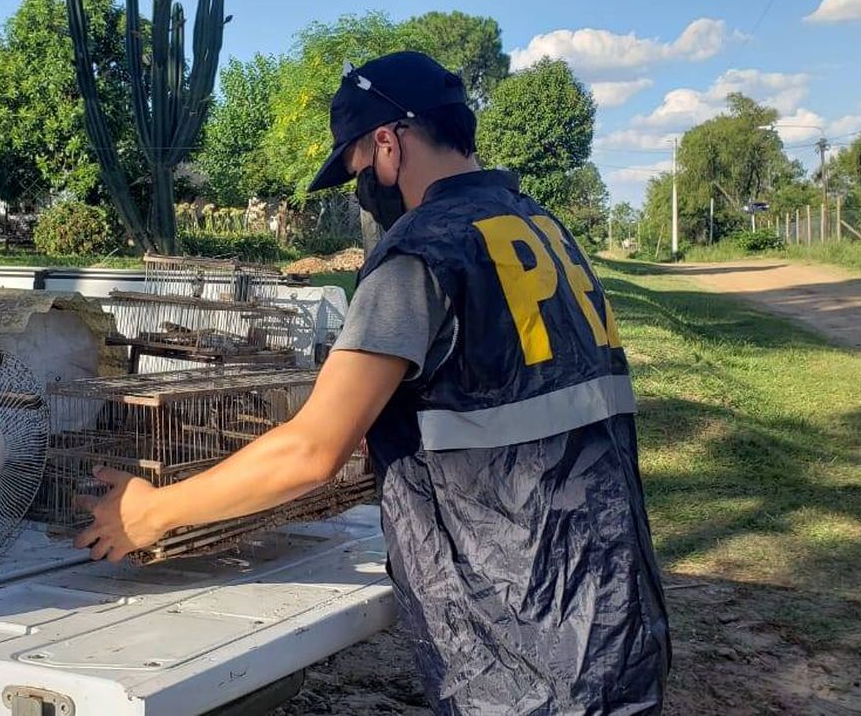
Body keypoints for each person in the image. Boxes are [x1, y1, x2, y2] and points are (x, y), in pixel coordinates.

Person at [74, 51, 670, 714]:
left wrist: (150, 512)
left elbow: (312, 450)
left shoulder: (420, 254)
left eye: (358, 167)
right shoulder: (543, 230)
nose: (363, 186)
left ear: (389, 143)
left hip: (520, 640)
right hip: (615, 612)